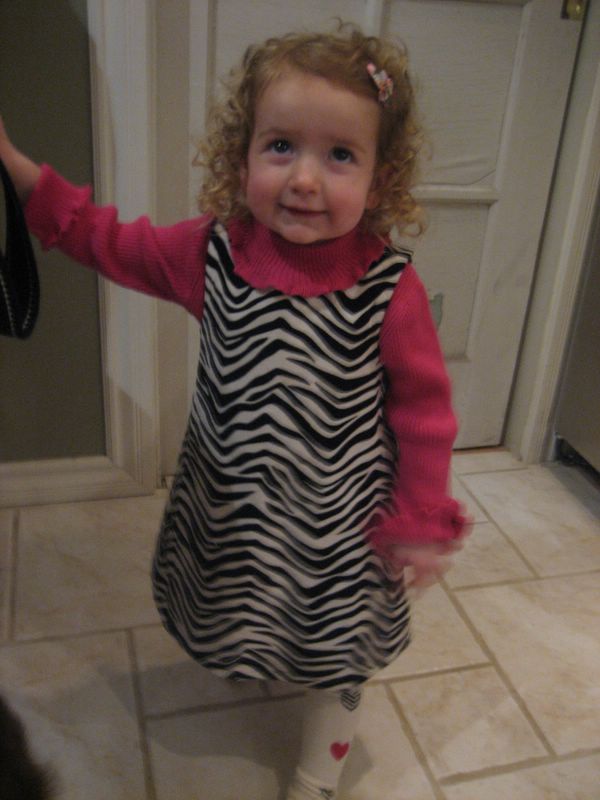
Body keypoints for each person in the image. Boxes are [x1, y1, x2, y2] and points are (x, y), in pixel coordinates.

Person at [0, 23, 469, 800]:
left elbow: (426, 414)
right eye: (280, 146)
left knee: (338, 657)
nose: (304, 179)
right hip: (237, 512)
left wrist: (421, 514)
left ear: (380, 178)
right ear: (241, 155)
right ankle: (257, 649)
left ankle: (319, 773)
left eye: (339, 155)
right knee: (246, 605)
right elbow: (104, 238)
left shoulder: (390, 290)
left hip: (339, 530)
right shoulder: (213, 252)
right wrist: (16, 169)